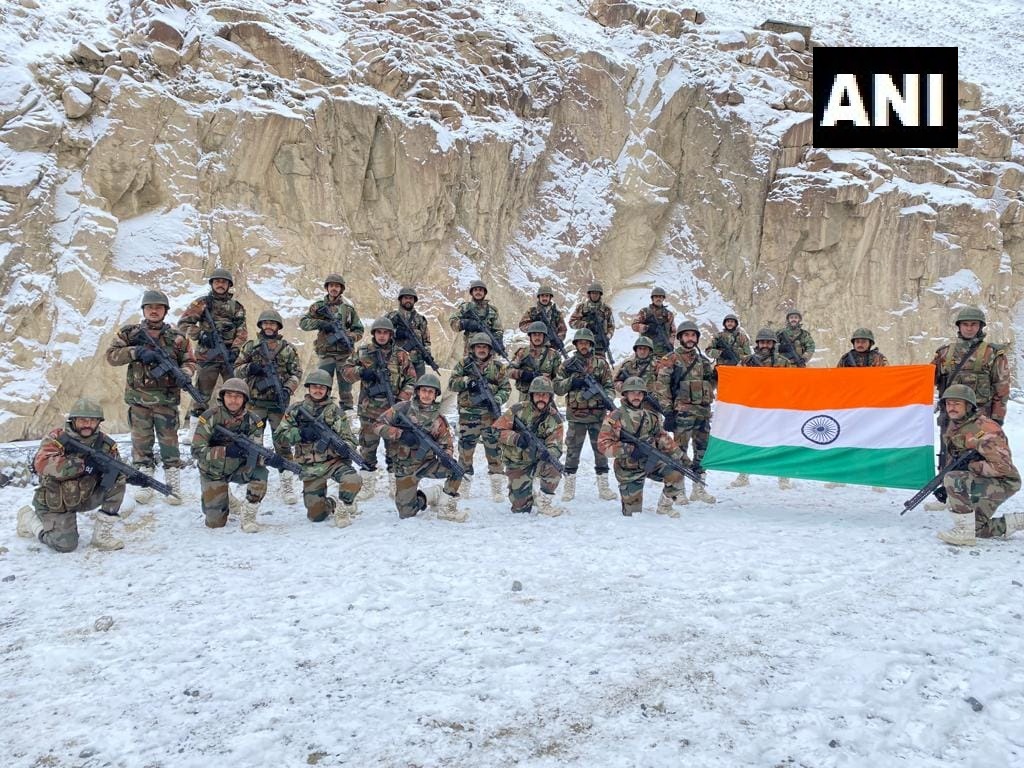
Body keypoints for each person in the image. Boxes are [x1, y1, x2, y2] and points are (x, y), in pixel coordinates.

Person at [105, 289, 195, 505]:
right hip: (139, 401)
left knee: (170, 446)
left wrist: (185, 374)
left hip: (166, 402)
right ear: (144, 310)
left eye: (158, 307)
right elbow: (111, 356)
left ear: (165, 311)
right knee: (141, 446)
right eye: (150, 307)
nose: (154, 311)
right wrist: (135, 352)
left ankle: (172, 486)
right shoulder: (129, 333)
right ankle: (145, 484)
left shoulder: (178, 338)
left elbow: (190, 362)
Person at [927, 306, 1010, 511]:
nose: (969, 328)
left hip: (980, 419)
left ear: (980, 327)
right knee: (949, 453)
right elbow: (927, 378)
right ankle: (948, 494)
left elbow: (1001, 388)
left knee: (977, 456)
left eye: (974, 324)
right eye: (966, 324)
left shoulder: (992, 353)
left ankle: (973, 498)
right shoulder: (945, 353)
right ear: (959, 327)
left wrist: (997, 420)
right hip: (951, 416)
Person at [17, 398, 126, 552]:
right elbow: (42, 464)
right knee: (65, 545)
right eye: (82, 420)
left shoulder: (106, 445)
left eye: (92, 420)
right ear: (73, 420)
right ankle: (28, 519)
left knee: (118, 476)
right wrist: (83, 465)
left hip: (84, 495)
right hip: (54, 501)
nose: (87, 424)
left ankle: (102, 536)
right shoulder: (58, 439)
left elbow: (117, 468)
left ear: (98, 422)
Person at [934, 384, 1022, 546]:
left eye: (957, 404)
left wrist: (970, 468)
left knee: (954, 478)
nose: (951, 408)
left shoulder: (986, 429)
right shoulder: (955, 425)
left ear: (968, 406)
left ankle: (964, 532)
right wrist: (947, 489)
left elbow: (1002, 467)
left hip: (1003, 481)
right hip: (983, 479)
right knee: (978, 529)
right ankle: (1017, 521)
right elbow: (954, 457)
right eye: (948, 404)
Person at [274, 370, 362, 528]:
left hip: (334, 462)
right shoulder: (295, 410)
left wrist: (345, 448)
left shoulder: (335, 412)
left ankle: (344, 503)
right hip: (310, 466)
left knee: (353, 481)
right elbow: (279, 436)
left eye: (322, 387)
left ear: (328, 390)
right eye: (314, 386)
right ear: (308, 388)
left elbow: (350, 439)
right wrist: (300, 433)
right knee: (316, 516)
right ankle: (331, 503)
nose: (318, 390)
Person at [374, 373, 465, 521]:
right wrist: (399, 434)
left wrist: (447, 455)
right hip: (405, 467)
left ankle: (446, 504)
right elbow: (377, 426)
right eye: (424, 390)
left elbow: (447, 444)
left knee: (457, 469)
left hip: (427, 464)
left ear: (435, 395)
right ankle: (430, 495)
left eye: (431, 392)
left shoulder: (438, 419)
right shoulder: (402, 408)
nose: (427, 395)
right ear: (417, 391)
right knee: (406, 513)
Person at [233, 308, 302, 504]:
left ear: (278, 327)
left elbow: (296, 372)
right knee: (253, 445)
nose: (269, 326)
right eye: (266, 323)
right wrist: (250, 368)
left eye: (273, 323)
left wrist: (288, 388)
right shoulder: (251, 346)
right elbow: (236, 370)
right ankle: (254, 483)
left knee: (283, 444)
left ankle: (287, 483)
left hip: (278, 404)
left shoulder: (287, 349)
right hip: (255, 404)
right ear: (261, 325)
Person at [344, 317, 416, 500]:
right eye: (379, 332)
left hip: (393, 412)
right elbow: (346, 373)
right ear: (374, 334)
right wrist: (361, 372)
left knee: (395, 449)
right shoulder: (363, 352)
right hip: (369, 411)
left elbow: (411, 380)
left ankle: (395, 485)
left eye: (385, 333)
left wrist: (401, 400)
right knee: (368, 449)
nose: (382, 336)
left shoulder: (401, 355)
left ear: (390, 334)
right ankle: (367, 485)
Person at [598, 377, 686, 517]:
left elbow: (663, 438)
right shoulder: (615, 417)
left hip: (650, 461)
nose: (636, 396)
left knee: (677, 475)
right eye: (632, 393)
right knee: (633, 514)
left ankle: (665, 506)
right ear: (625, 394)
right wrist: (630, 449)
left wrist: (683, 458)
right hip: (628, 469)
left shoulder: (650, 416)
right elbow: (604, 446)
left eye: (640, 393)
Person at [191, 378, 268, 532]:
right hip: (212, 471)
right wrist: (225, 451)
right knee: (215, 523)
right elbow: (196, 451)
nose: (233, 400)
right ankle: (224, 496)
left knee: (260, 473)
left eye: (238, 396)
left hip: (238, 467)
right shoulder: (210, 416)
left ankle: (248, 514)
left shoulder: (254, 420)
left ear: (245, 399)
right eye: (229, 395)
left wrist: (264, 456)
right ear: (223, 396)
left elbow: (257, 448)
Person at [653, 321, 717, 504]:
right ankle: (677, 491)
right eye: (686, 335)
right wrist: (668, 412)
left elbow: (709, 385)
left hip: (702, 414)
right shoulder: (671, 359)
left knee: (702, 452)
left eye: (693, 335)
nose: (690, 338)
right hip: (681, 414)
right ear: (680, 337)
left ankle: (699, 488)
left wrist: (718, 376)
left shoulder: (703, 361)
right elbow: (662, 387)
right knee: (679, 452)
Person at [553, 328, 617, 502]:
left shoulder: (601, 364)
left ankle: (604, 487)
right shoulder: (567, 365)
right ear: (576, 345)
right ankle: (569, 487)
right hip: (576, 416)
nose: (584, 346)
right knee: (573, 453)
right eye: (580, 343)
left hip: (597, 416)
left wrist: (607, 398)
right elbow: (557, 387)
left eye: (587, 343)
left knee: (601, 452)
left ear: (591, 345)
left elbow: (610, 387)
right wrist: (572, 381)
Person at [178, 268, 247, 423]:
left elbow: (242, 331)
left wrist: (235, 349)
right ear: (212, 284)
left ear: (229, 285)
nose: (220, 285)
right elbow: (183, 324)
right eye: (217, 281)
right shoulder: (201, 303)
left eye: (223, 282)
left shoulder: (236, 307)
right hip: (207, 356)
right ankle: (195, 431)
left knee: (236, 392)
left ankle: (234, 426)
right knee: (201, 396)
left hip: (229, 356)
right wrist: (201, 334)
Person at [448, 333, 511, 500]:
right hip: (469, 417)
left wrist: (497, 398)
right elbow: (452, 383)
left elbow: (506, 389)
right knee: (465, 452)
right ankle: (464, 487)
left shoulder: (498, 367)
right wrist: (467, 381)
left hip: (491, 416)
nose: (481, 350)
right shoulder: (464, 365)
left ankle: (497, 489)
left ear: (489, 349)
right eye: (478, 347)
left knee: (494, 452)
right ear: (473, 348)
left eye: (484, 347)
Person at [826, 328, 887, 492]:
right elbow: (837, 381)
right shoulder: (846, 359)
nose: (860, 344)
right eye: (857, 341)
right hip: (851, 407)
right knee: (844, 441)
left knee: (875, 443)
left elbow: (886, 380)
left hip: (873, 407)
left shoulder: (878, 359)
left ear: (870, 343)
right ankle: (840, 476)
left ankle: (877, 479)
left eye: (863, 341)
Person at [494, 377, 566, 516]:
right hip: (518, 463)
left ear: (550, 397)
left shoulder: (555, 419)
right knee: (520, 509)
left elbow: (556, 445)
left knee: (554, 466)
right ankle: (527, 493)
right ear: (531, 395)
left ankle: (545, 503)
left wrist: (549, 453)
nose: (541, 398)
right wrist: (516, 438)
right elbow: (496, 431)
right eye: (537, 394)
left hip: (539, 461)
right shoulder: (517, 410)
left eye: (544, 395)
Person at [731, 328, 793, 489]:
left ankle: (783, 477)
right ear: (757, 344)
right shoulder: (746, 361)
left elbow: (793, 383)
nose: (765, 345)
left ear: (774, 344)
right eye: (762, 342)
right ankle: (743, 474)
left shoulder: (782, 362)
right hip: (753, 409)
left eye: (769, 342)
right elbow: (735, 380)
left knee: (781, 442)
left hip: (776, 409)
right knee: (748, 442)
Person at [299, 274, 364, 410]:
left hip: (344, 355)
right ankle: (320, 410)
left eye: (337, 286)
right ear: (327, 288)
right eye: (331, 285)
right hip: (325, 354)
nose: (334, 288)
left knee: (345, 387)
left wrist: (350, 337)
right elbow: (303, 323)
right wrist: (321, 324)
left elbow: (359, 330)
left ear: (341, 289)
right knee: (321, 384)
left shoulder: (348, 309)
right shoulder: (318, 307)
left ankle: (347, 411)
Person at [508, 321, 561, 402]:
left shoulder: (553, 355)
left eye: (539, 334)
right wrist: (523, 374)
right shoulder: (523, 352)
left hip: (545, 398)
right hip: (525, 398)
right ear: (530, 336)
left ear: (544, 336)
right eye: (534, 334)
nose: (537, 337)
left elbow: (558, 378)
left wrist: (545, 379)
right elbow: (508, 371)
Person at [386, 286, 433, 378]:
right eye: (405, 298)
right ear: (401, 299)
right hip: (395, 360)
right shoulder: (391, 317)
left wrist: (427, 355)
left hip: (417, 362)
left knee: (418, 387)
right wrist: (396, 333)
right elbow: (382, 334)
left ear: (414, 300)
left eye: (410, 298)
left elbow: (426, 341)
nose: (408, 300)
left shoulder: (420, 320)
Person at [449, 279, 503, 356]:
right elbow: (453, 323)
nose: (478, 292)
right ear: (472, 292)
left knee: (491, 367)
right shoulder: (465, 308)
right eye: (475, 290)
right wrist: (465, 323)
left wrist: (499, 342)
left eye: (481, 290)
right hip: (470, 349)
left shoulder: (492, 310)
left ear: (484, 293)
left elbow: (498, 330)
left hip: (488, 349)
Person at [568, 282, 615, 361]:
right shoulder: (582, 307)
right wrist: (586, 324)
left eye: (597, 293)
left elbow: (611, 326)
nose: (594, 295)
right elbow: (572, 323)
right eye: (593, 293)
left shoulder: (606, 309)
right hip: (584, 343)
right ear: (589, 294)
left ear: (600, 295)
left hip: (599, 344)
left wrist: (607, 337)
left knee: (600, 366)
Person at [613, 336, 661, 405]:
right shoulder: (628, 365)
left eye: (645, 349)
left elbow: (665, 385)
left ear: (650, 350)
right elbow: (616, 382)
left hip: (650, 404)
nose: (642, 351)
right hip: (631, 403)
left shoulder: (658, 365)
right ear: (636, 350)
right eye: (640, 349)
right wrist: (626, 388)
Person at [630, 286, 676, 358]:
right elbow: (634, 326)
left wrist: (671, 343)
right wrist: (647, 328)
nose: (658, 299)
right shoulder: (645, 312)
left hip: (663, 351)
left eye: (660, 297)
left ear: (663, 298)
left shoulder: (668, 314)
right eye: (656, 297)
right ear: (652, 298)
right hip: (646, 350)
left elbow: (673, 331)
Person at [517, 285, 567, 349]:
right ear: (539, 297)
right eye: (542, 296)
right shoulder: (532, 311)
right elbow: (522, 326)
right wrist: (536, 324)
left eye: (547, 296)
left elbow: (563, 330)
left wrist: (559, 339)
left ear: (550, 297)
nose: (544, 298)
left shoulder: (556, 313)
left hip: (551, 347)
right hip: (535, 347)